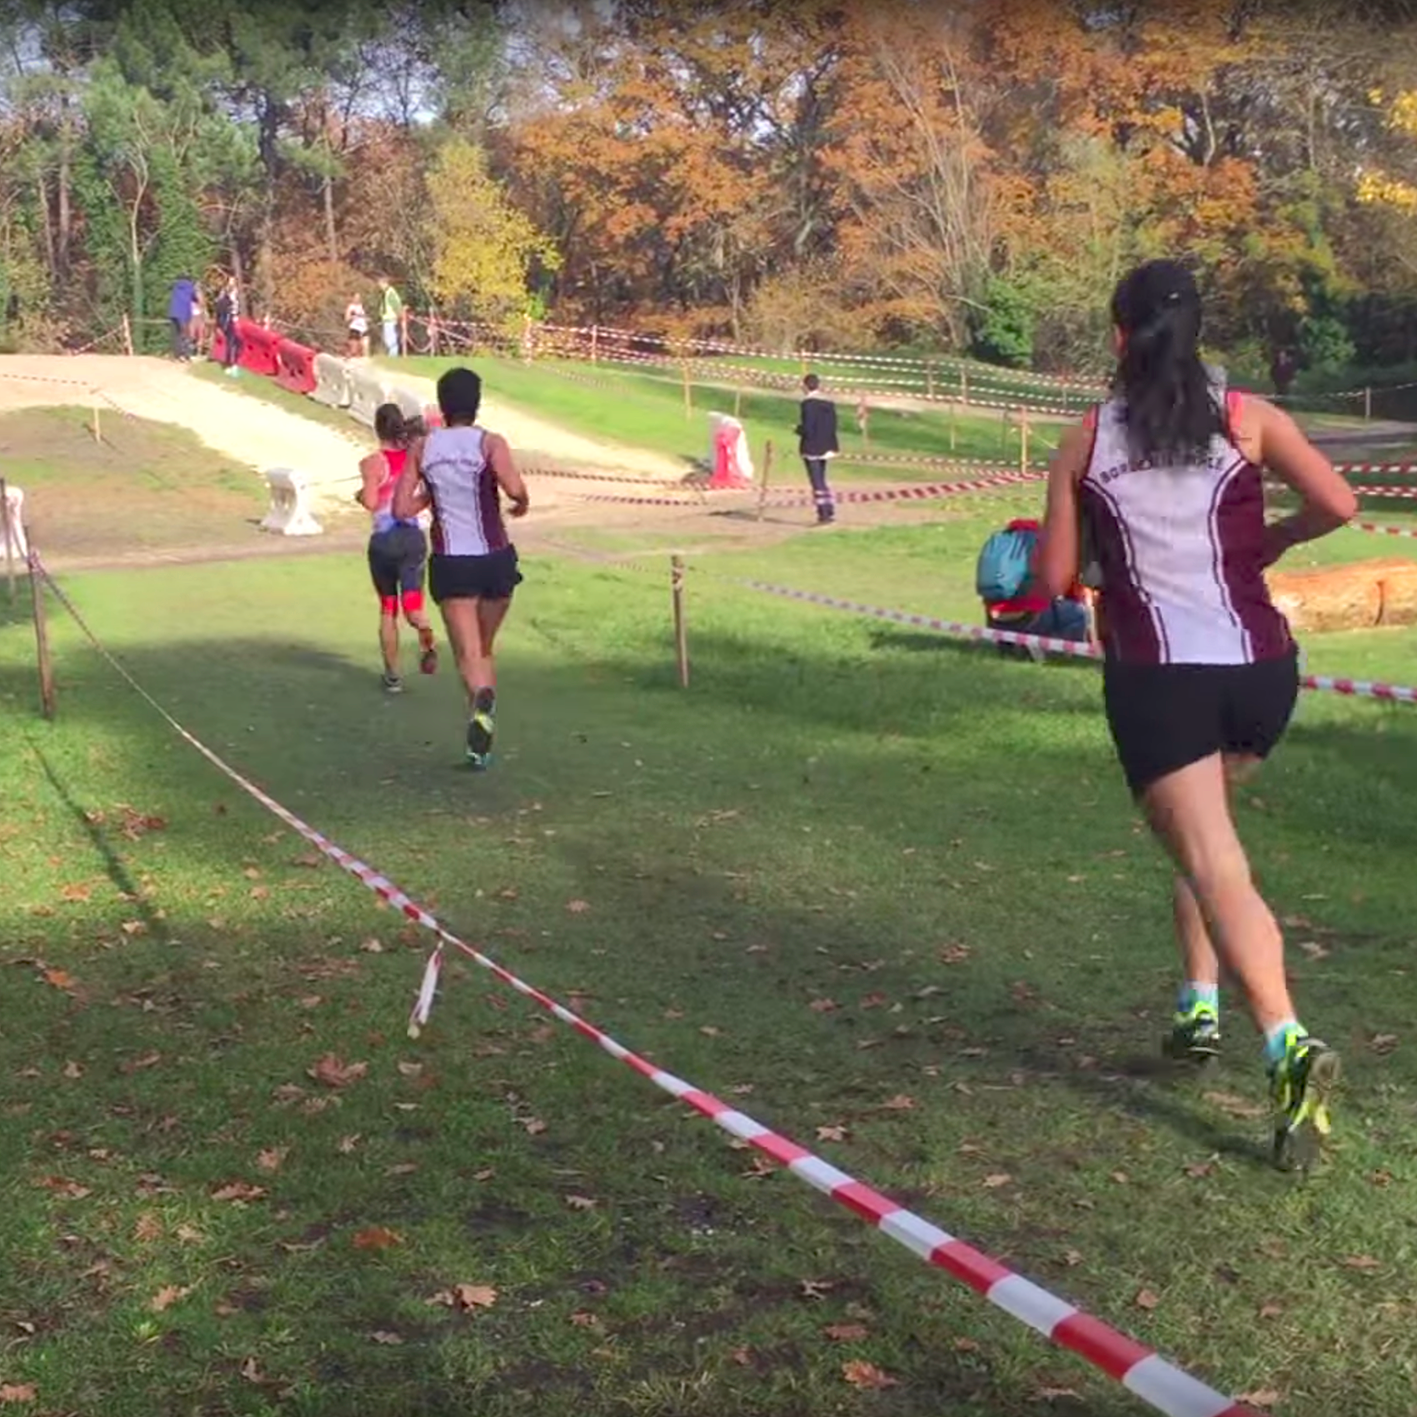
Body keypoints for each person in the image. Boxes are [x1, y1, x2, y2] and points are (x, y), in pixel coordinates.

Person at [1037, 259, 1357, 1171]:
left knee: (1213, 859)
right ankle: (1196, 1001)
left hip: (1159, 676)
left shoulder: (1086, 437)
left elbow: (1054, 577)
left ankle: (1287, 1043)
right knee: (1204, 841)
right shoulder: (1247, 416)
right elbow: (1337, 501)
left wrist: (1100, 555)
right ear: (1197, 331)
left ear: (1114, 336)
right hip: (1261, 669)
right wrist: (1278, 537)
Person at [392, 367, 528, 768]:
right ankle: (479, 738)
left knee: (469, 653)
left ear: (442, 405)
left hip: (453, 563)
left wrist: (430, 497)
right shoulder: (490, 443)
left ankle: (480, 710)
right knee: (483, 650)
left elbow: (400, 509)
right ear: (477, 402)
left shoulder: (422, 449)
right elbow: (514, 488)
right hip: (496, 560)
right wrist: (522, 502)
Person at [359, 403, 440, 693]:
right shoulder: (416, 459)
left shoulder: (372, 463)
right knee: (413, 605)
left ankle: (393, 677)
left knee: (388, 608)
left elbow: (370, 502)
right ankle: (425, 632)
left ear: (377, 428)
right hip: (413, 539)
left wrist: (361, 494)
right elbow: (430, 494)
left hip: (383, 542)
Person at [978, 516, 1091, 656]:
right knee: (1078, 612)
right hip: (1031, 619)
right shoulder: (1046, 545)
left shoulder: (999, 543)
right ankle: (1059, 652)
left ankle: (1007, 646)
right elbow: (1072, 590)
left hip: (995, 621)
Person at [795, 373, 838, 525]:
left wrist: (798, 430)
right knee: (822, 479)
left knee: (816, 481)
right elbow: (833, 426)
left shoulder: (808, 404)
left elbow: (808, 427)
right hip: (827, 445)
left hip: (812, 447)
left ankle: (823, 513)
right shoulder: (829, 403)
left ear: (806, 386)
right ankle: (829, 509)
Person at [214, 277, 241, 376]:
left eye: (234, 282)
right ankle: (229, 364)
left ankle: (233, 363)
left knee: (238, 343)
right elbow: (221, 308)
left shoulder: (236, 294)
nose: (233, 284)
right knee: (231, 342)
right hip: (228, 321)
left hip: (235, 320)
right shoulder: (226, 295)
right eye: (231, 281)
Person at [168, 276, 195, 362]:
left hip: (173, 312)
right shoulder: (190, 286)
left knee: (175, 335)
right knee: (185, 334)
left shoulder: (176, 285)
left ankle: (176, 355)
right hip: (184, 313)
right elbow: (195, 297)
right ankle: (185, 355)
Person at [379, 276, 403, 357]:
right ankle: (392, 353)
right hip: (387, 319)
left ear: (385, 283)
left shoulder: (390, 293)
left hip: (390, 318)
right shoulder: (387, 293)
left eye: (381, 284)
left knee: (390, 338)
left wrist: (399, 315)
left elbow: (396, 305)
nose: (380, 287)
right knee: (387, 338)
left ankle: (393, 354)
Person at [346, 294, 370, 359]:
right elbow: (347, 318)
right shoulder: (351, 307)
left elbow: (364, 316)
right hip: (355, 327)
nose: (357, 299)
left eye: (359, 297)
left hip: (363, 327)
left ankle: (366, 358)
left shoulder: (361, 306)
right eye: (356, 297)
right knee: (354, 348)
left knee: (366, 343)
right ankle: (352, 356)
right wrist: (353, 317)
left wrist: (367, 319)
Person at [189, 286, 207, 358]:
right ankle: (192, 351)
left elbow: (203, 307)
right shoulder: (190, 299)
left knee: (201, 334)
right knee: (192, 335)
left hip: (199, 317)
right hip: (192, 317)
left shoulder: (201, 300)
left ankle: (199, 352)